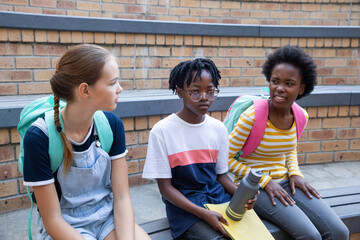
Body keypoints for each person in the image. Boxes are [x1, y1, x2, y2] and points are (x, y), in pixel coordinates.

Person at [22, 44, 150, 240]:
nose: (120, 88)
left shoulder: (111, 125)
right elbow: (52, 219)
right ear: (85, 90)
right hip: (65, 225)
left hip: (106, 217)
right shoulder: (39, 137)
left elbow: (122, 198)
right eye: (112, 82)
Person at [228, 45, 349, 240]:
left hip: (286, 183)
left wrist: (295, 173)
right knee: (311, 236)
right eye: (275, 81)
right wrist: (265, 181)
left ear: (301, 88)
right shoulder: (252, 117)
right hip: (253, 188)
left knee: (339, 232)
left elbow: (289, 149)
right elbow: (225, 159)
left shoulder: (301, 116)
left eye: (289, 83)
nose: (280, 88)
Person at [142, 58, 256, 240]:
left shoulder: (218, 128)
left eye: (210, 91)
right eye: (195, 91)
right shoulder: (162, 131)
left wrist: (241, 195)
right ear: (180, 92)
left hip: (217, 197)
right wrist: (202, 213)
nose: (204, 97)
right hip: (184, 206)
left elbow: (221, 176)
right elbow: (165, 189)